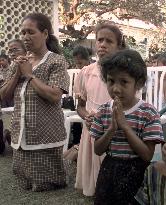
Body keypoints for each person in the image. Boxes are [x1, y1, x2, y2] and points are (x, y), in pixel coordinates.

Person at [0, 13, 69, 191]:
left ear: (45, 33)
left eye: (30, 32)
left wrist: (30, 75)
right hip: (21, 130)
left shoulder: (56, 60)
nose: (25, 37)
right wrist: (18, 72)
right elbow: (4, 96)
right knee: (25, 183)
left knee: (45, 185)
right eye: (23, 32)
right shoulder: (19, 63)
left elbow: (55, 96)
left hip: (45, 131)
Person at [91, 49, 164, 204]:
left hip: (137, 171)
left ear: (138, 83)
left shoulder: (148, 112)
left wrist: (124, 126)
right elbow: (98, 150)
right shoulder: (103, 110)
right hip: (109, 170)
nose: (116, 89)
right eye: (111, 81)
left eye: (124, 82)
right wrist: (111, 130)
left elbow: (147, 155)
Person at [74, 23, 126, 196]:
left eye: (109, 41)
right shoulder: (86, 72)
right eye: (99, 40)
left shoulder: (125, 74)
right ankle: (93, 186)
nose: (102, 44)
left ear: (119, 46)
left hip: (115, 128)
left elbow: (130, 104)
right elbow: (80, 106)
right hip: (91, 127)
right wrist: (87, 116)